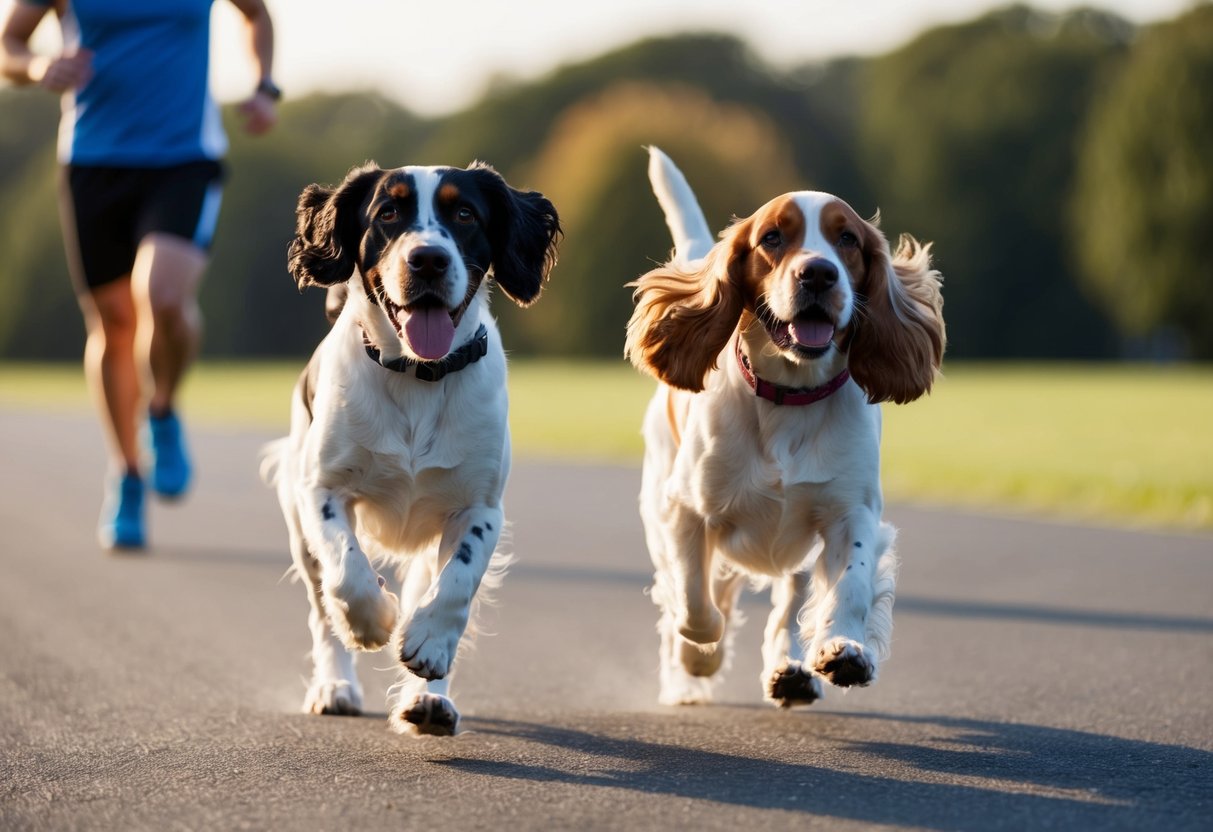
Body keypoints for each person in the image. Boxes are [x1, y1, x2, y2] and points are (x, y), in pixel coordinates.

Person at [1, 0, 279, 549]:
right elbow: (8, 43)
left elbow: (257, 14)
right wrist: (37, 67)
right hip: (92, 161)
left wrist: (264, 85)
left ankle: (163, 409)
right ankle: (126, 474)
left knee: (163, 296)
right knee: (113, 325)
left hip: (184, 160)